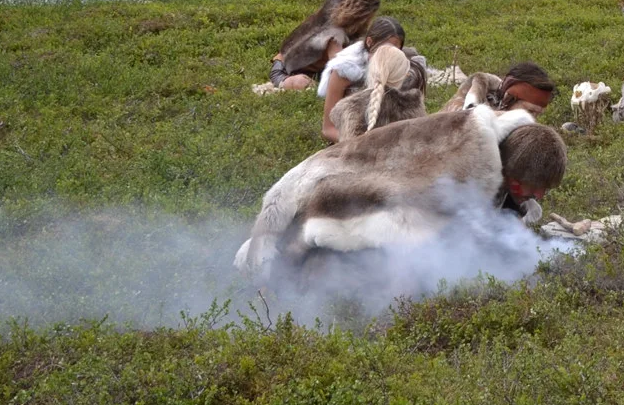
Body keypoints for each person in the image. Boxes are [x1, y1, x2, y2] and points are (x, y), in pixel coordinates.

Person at [235, 104, 568, 286]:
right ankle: (285, 268)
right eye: (531, 186)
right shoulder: (467, 157)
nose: (536, 195)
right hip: (336, 189)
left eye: (542, 190)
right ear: (511, 169)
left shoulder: (507, 176)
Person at [319, 16, 428, 140]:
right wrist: (356, 143)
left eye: (394, 50)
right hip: (353, 144)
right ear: (370, 42)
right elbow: (328, 129)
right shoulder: (345, 70)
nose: (387, 55)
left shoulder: (406, 71)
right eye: (383, 49)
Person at [270, 0, 380, 91]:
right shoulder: (334, 35)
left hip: (314, 68)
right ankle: (283, 82)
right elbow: (339, 68)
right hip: (284, 69)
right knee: (303, 83)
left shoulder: (338, 2)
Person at [496, 123, 568, 223]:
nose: (539, 195)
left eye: (545, 188)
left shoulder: (514, 185)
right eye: (535, 185)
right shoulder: (476, 182)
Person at [440, 61, 558, 116]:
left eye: (537, 114)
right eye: (530, 111)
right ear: (509, 98)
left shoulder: (501, 106)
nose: (532, 120)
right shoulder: (462, 107)